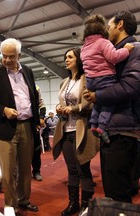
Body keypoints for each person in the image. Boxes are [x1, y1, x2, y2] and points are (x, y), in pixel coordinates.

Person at [83, 10, 140, 203]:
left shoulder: (135, 49)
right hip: (114, 128)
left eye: (109, 25)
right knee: (113, 189)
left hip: (124, 129)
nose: (106, 29)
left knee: (119, 192)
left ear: (120, 24)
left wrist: (97, 96)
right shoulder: (114, 50)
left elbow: (130, 87)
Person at [0, 38, 39, 215]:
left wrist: (37, 121)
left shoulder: (28, 72)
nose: (7, 60)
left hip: (26, 126)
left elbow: (33, 98)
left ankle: (24, 200)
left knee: (24, 169)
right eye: (4, 56)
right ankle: (11, 205)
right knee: (8, 172)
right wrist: (4, 110)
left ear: (19, 55)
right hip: (5, 128)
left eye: (11, 56)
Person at [53, 48, 100, 216]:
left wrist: (72, 108)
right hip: (66, 130)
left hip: (82, 129)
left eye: (70, 57)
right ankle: (73, 203)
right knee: (71, 170)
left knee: (83, 169)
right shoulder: (64, 82)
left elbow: (90, 104)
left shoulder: (87, 79)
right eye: (65, 57)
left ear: (79, 59)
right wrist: (58, 108)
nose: (66, 60)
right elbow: (61, 104)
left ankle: (87, 206)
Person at [81, 14, 134, 143]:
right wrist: (126, 50)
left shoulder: (84, 47)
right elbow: (114, 57)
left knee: (97, 102)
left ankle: (93, 123)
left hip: (90, 80)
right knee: (108, 101)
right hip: (104, 78)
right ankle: (102, 127)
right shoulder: (103, 42)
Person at [32, 85, 46, 181]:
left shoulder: (36, 87)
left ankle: (36, 171)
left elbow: (42, 104)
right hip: (18, 122)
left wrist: (41, 117)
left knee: (36, 149)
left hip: (34, 123)